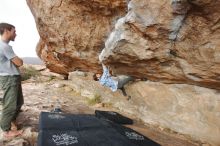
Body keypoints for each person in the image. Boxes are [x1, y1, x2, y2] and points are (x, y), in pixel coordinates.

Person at [0, 22, 23, 138]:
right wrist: (20, 60)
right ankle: (6, 131)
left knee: (19, 102)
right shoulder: (4, 46)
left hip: (12, 77)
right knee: (10, 105)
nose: (16, 34)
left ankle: (12, 121)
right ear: (7, 31)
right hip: (10, 78)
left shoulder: (3, 45)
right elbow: (19, 62)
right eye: (14, 31)